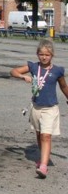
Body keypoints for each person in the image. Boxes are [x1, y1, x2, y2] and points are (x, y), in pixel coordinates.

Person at [10, 39, 68, 179]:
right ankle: (44, 158)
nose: (44, 57)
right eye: (41, 54)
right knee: (39, 135)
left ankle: (43, 166)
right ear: (37, 54)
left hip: (50, 108)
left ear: (52, 55)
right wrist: (23, 76)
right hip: (36, 107)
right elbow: (13, 71)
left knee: (46, 136)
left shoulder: (58, 71)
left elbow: (63, 86)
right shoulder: (34, 67)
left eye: (47, 55)